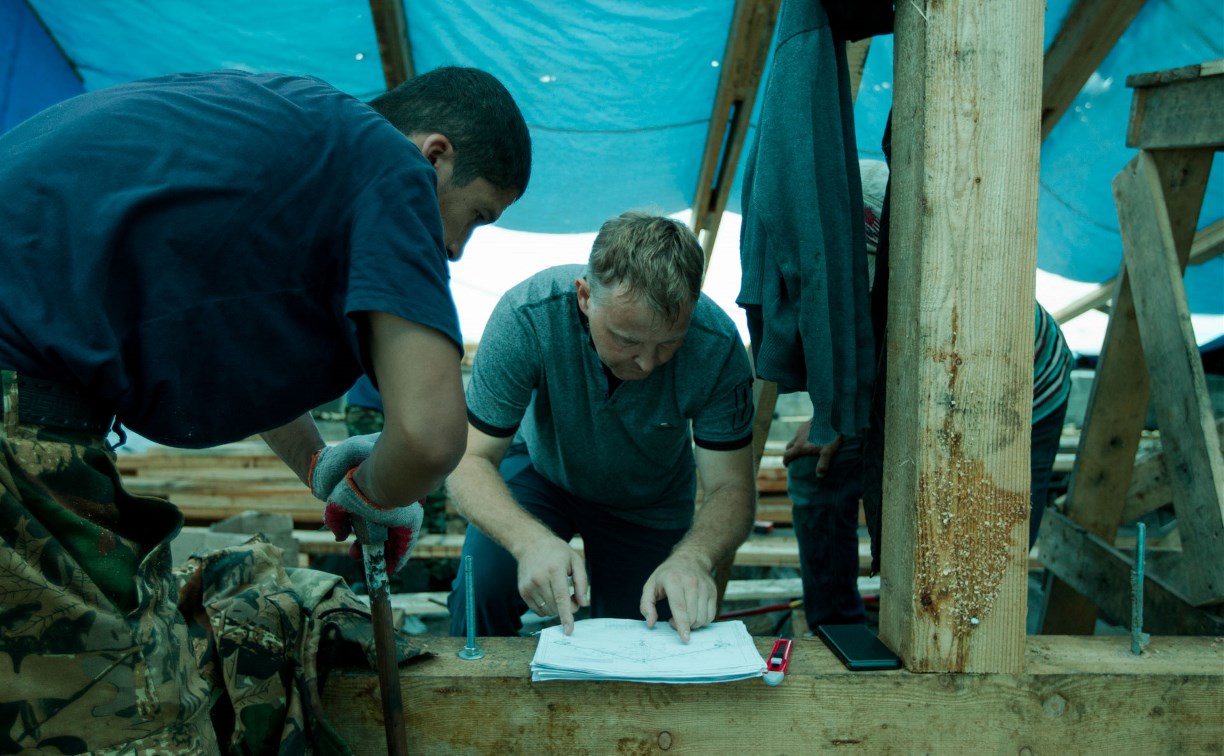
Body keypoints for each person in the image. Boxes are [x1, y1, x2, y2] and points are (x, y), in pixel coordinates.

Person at [0, 65, 531, 752]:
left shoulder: (284, 133)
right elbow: (430, 437)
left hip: (25, 382)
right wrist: (373, 492)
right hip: (19, 400)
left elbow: (228, 352)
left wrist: (323, 468)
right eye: (477, 216)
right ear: (434, 156)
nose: (456, 249)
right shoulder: (389, 163)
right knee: (129, 728)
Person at [782, 161, 1074, 629]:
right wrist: (836, 414)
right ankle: (837, 630)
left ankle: (964, 654)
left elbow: (946, 420)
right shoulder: (829, 258)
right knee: (815, 465)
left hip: (1014, 403)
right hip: (905, 384)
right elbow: (857, 335)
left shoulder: (966, 292)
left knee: (983, 558)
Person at [446, 212, 757, 641]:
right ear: (585, 296)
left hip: (650, 498)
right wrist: (528, 542)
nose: (648, 363)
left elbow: (733, 487)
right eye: (627, 340)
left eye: (669, 343)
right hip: (542, 473)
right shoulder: (526, 317)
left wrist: (695, 558)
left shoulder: (717, 347)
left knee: (650, 630)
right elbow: (469, 458)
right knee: (482, 590)